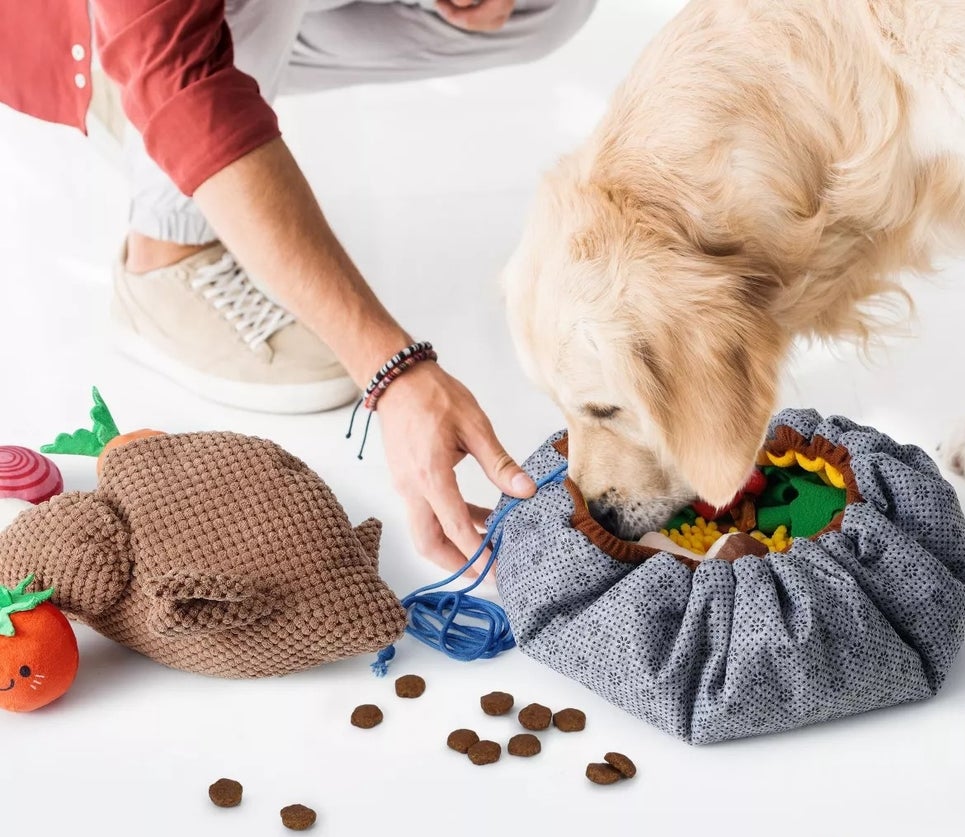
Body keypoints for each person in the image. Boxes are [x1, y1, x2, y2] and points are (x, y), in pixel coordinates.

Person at [0, 0, 597, 572]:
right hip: (92, 23)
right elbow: (186, 87)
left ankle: (180, 78)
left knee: (543, 5)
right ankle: (164, 248)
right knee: (197, 59)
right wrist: (391, 367)